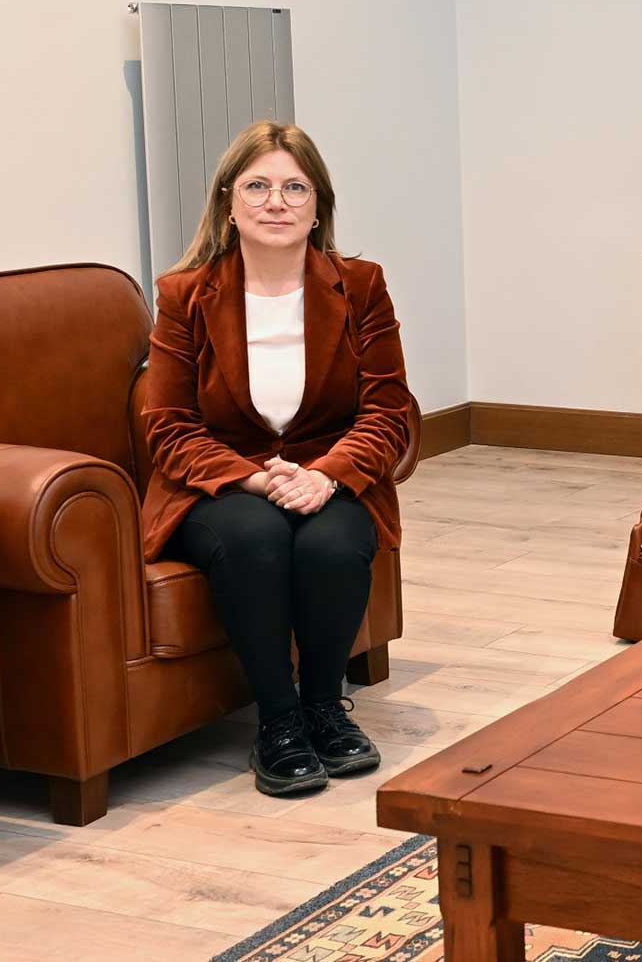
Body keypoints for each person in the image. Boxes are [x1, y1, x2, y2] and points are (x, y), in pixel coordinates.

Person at [139, 121, 410, 797]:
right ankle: (279, 722)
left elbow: (388, 412)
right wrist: (257, 479)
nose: (276, 202)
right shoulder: (184, 294)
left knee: (333, 546)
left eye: (295, 187)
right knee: (254, 538)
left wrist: (325, 476)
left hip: (329, 473)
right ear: (228, 203)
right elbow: (168, 426)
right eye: (257, 186)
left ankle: (323, 708)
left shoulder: (361, 286)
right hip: (220, 483)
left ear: (318, 207)